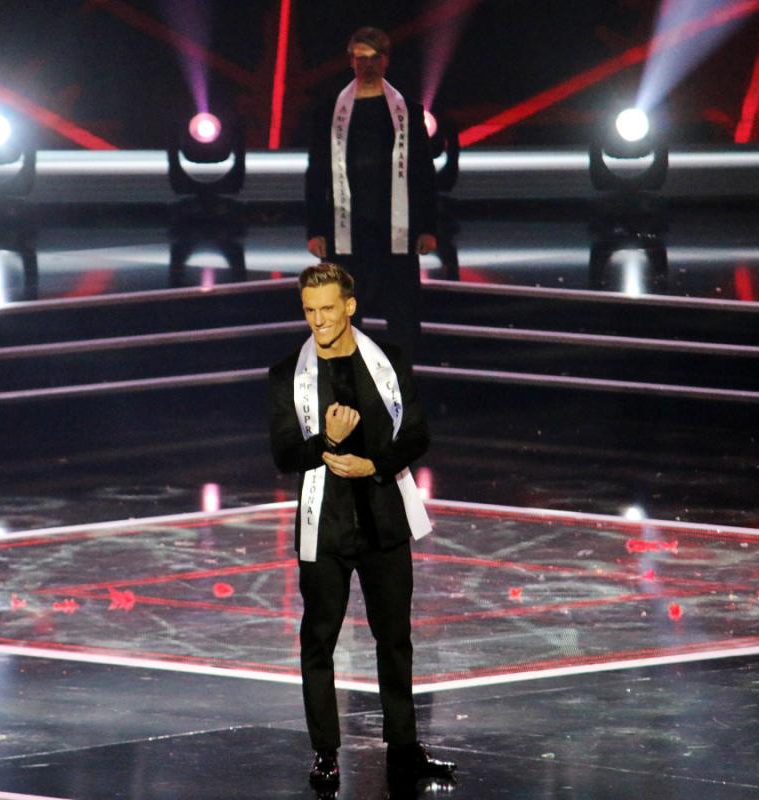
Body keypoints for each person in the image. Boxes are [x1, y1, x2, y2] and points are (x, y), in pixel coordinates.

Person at [268, 263, 455, 792]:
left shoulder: (387, 362)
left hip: (381, 521)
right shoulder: (287, 375)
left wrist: (373, 464)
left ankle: (404, 748)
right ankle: (326, 753)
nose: (318, 320)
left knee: (394, 639)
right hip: (324, 528)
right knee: (318, 641)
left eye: (328, 308)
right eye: (310, 310)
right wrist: (325, 441)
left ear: (349, 306)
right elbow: (284, 454)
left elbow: (416, 435)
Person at [304, 26, 438, 359]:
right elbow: (317, 172)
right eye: (361, 58)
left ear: (386, 60)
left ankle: (400, 378)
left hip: (397, 228)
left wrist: (428, 227)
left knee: (403, 313)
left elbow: (423, 172)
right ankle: (345, 379)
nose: (368, 65)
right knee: (343, 311)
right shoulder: (328, 111)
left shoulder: (408, 110)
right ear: (351, 61)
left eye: (374, 57)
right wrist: (315, 229)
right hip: (346, 228)